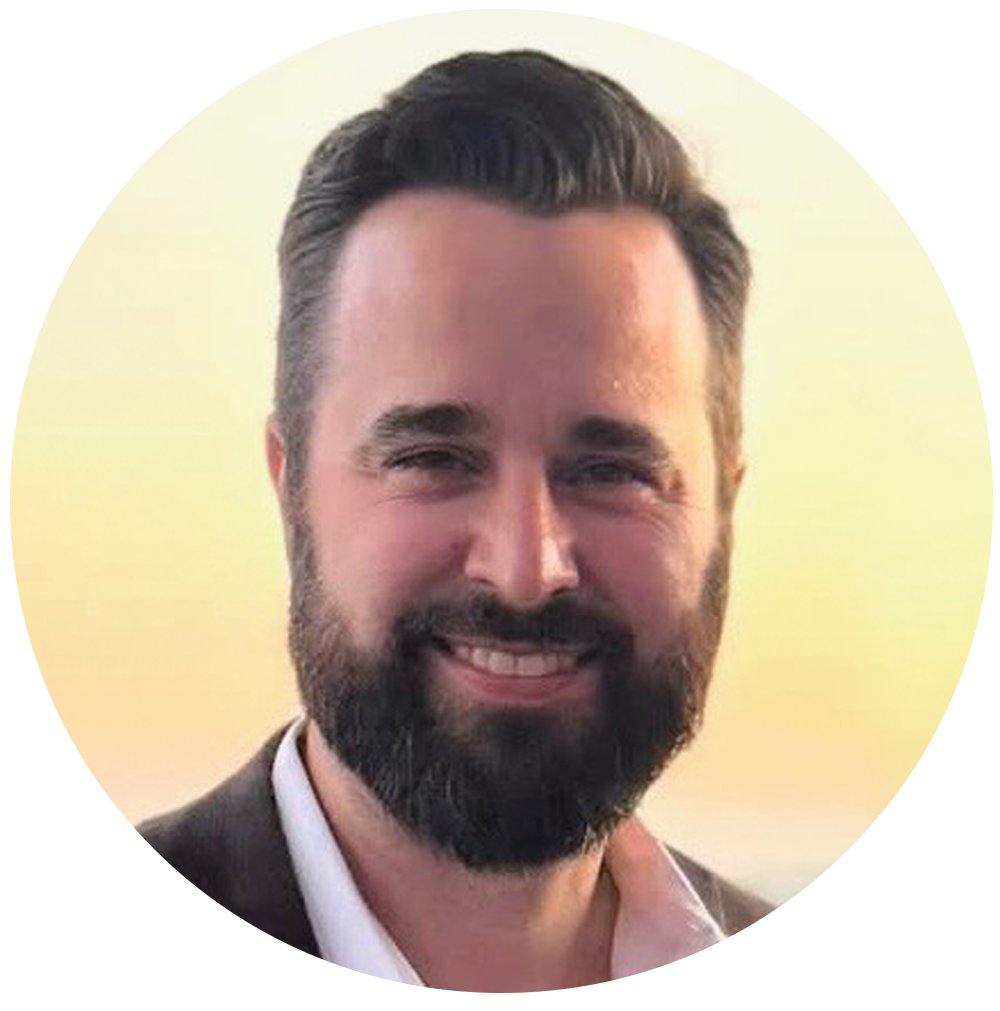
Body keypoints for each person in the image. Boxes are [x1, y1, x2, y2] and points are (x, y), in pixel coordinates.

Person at [11, 50, 861, 992]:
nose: (526, 568)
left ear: (724, 510)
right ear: (290, 484)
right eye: (433, 458)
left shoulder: (811, 977)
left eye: (610, 470)